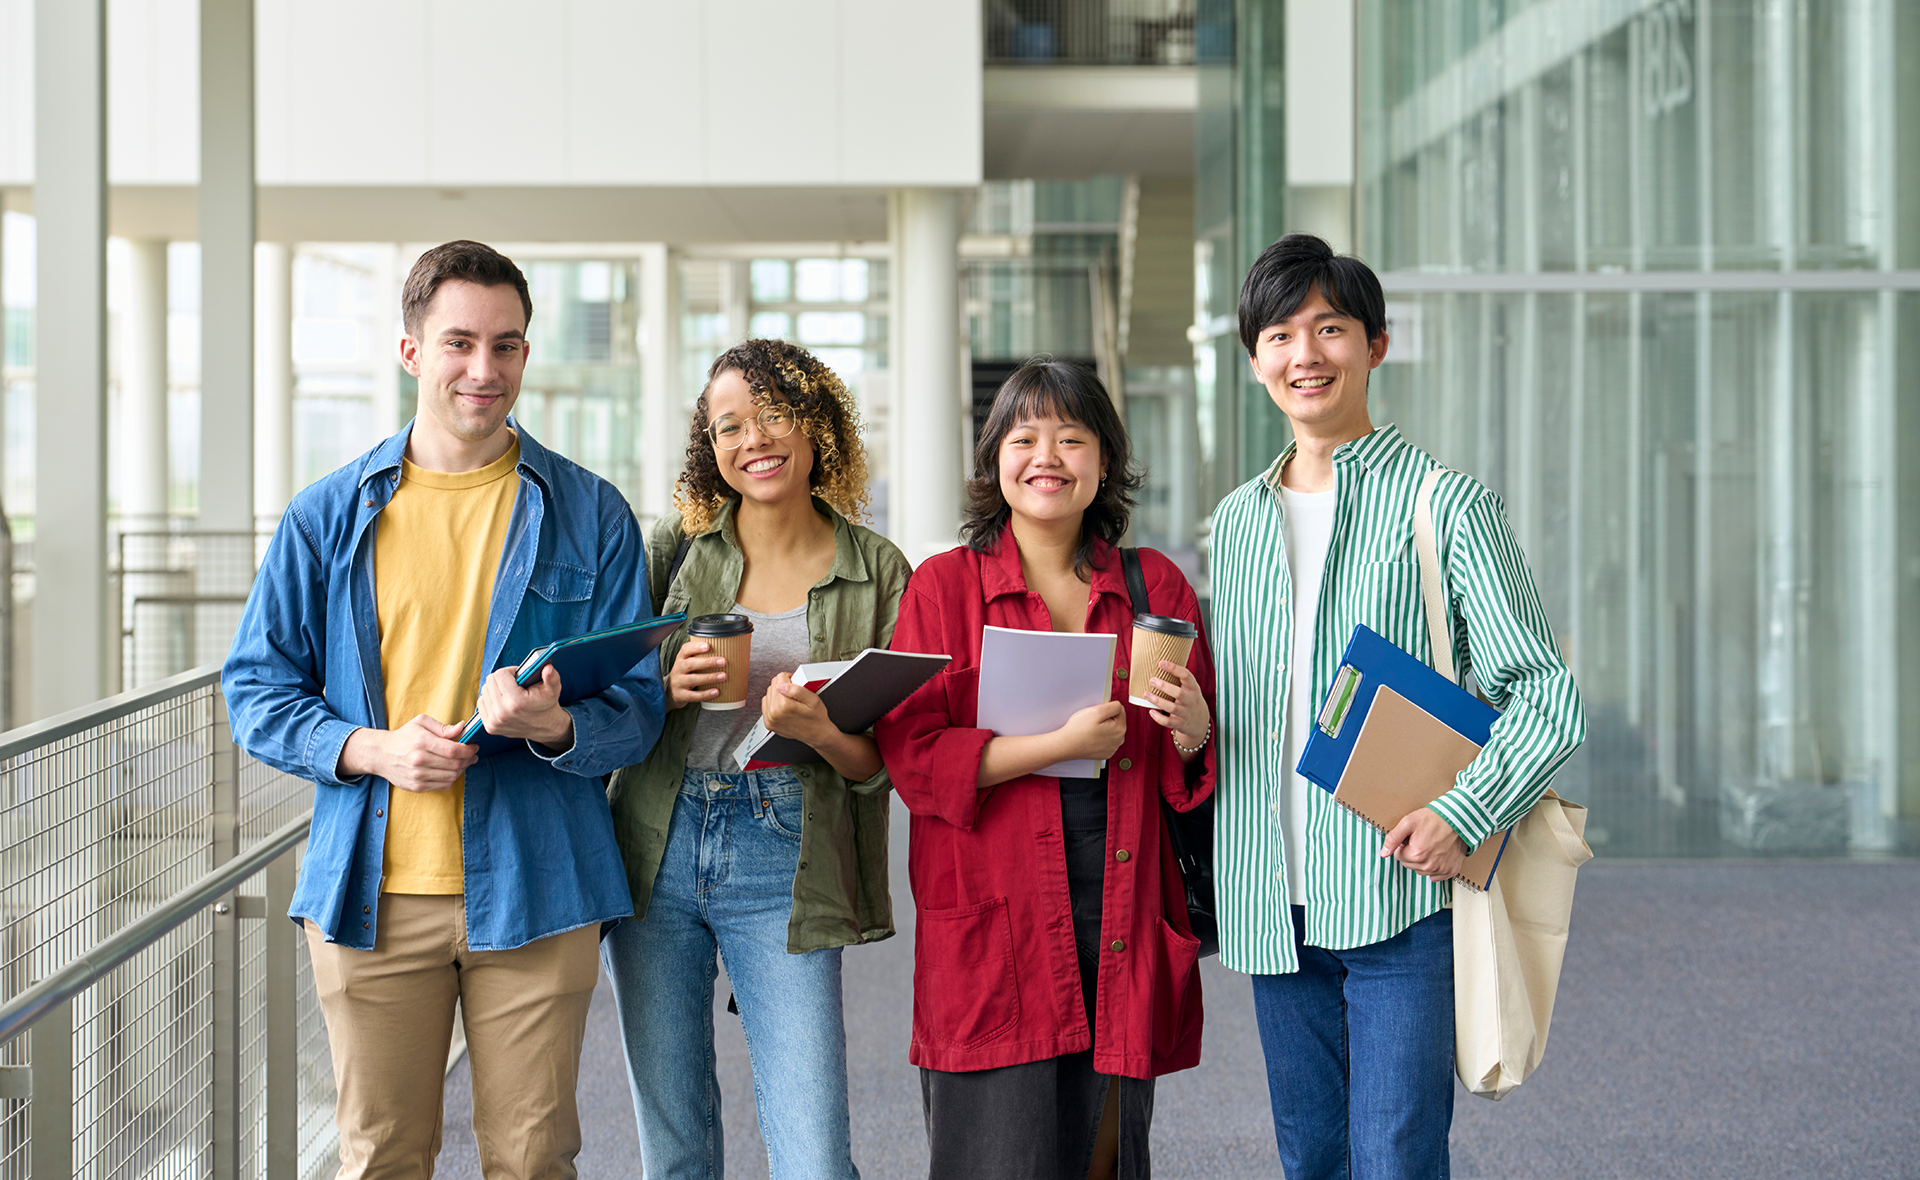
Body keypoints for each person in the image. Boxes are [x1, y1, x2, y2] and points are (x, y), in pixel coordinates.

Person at [221, 240, 665, 1180]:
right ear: (411, 350)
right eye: (459, 342)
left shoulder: (593, 513)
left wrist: (556, 727)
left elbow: (640, 706)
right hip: (372, 894)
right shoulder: (327, 516)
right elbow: (256, 692)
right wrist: (370, 749)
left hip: (543, 884)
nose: (483, 369)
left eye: (506, 346)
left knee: (535, 1159)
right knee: (382, 1160)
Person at [1208, 233, 1586, 1178]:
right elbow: (1250, 704)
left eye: (1330, 328)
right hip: (1268, 902)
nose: (1307, 355)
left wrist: (1466, 811)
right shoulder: (1236, 522)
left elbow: (1546, 690)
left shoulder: (1445, 504)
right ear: (1255, 359)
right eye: (1283, 334)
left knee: (1396, 1159)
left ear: (1376, 346)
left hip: (1398, 893)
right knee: (1311, 1162)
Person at [876, 360, 1216, 1180]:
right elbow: (914, 757)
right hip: (996, 921)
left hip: (1120, 903)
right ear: (995, 458)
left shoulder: (1154, 586)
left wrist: (1194, 728)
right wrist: (1053, 747)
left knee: (1107, 1157)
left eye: (1072, 438)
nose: (1047, 457)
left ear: (1104, 461)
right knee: (996, 1160)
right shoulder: (943, 586)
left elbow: (1187, 769)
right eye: (1024, 437)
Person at [601, 339, 908, 1180]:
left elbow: (882, 764)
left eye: (773, 415)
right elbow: (612, 691)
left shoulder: (877, 569)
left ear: (818, 428)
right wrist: (666, 687)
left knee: (814, 1155)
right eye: (729, 425)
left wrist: (815, 730)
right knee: (674, 1145)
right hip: (656, 841)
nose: (753, 440)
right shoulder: (675, 547)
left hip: (789, 849)